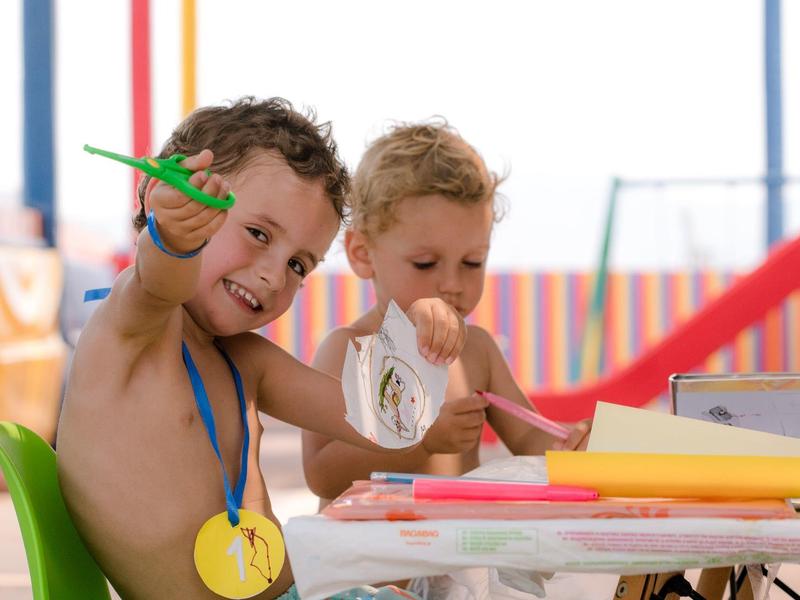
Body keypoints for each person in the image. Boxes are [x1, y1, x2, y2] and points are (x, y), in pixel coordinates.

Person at [56, 98, 464, 600]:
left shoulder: (247, 360)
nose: (274, 275)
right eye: (257, 233)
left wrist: (420, 334)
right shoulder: (133, 325)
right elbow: (160, 278)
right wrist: (176, 238)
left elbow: (380, 426)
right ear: (173, 198)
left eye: (299, 265)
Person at [302, 119, 590, 508]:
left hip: (457, 563)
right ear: (362, 253)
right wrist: (420, 440)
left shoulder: (477, 352)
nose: (452, 283)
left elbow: (529, 442)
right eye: (425, 263)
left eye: (472, 262)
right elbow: (322, 474)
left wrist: (571, 448)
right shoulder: (349, 349)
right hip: (374, 567)